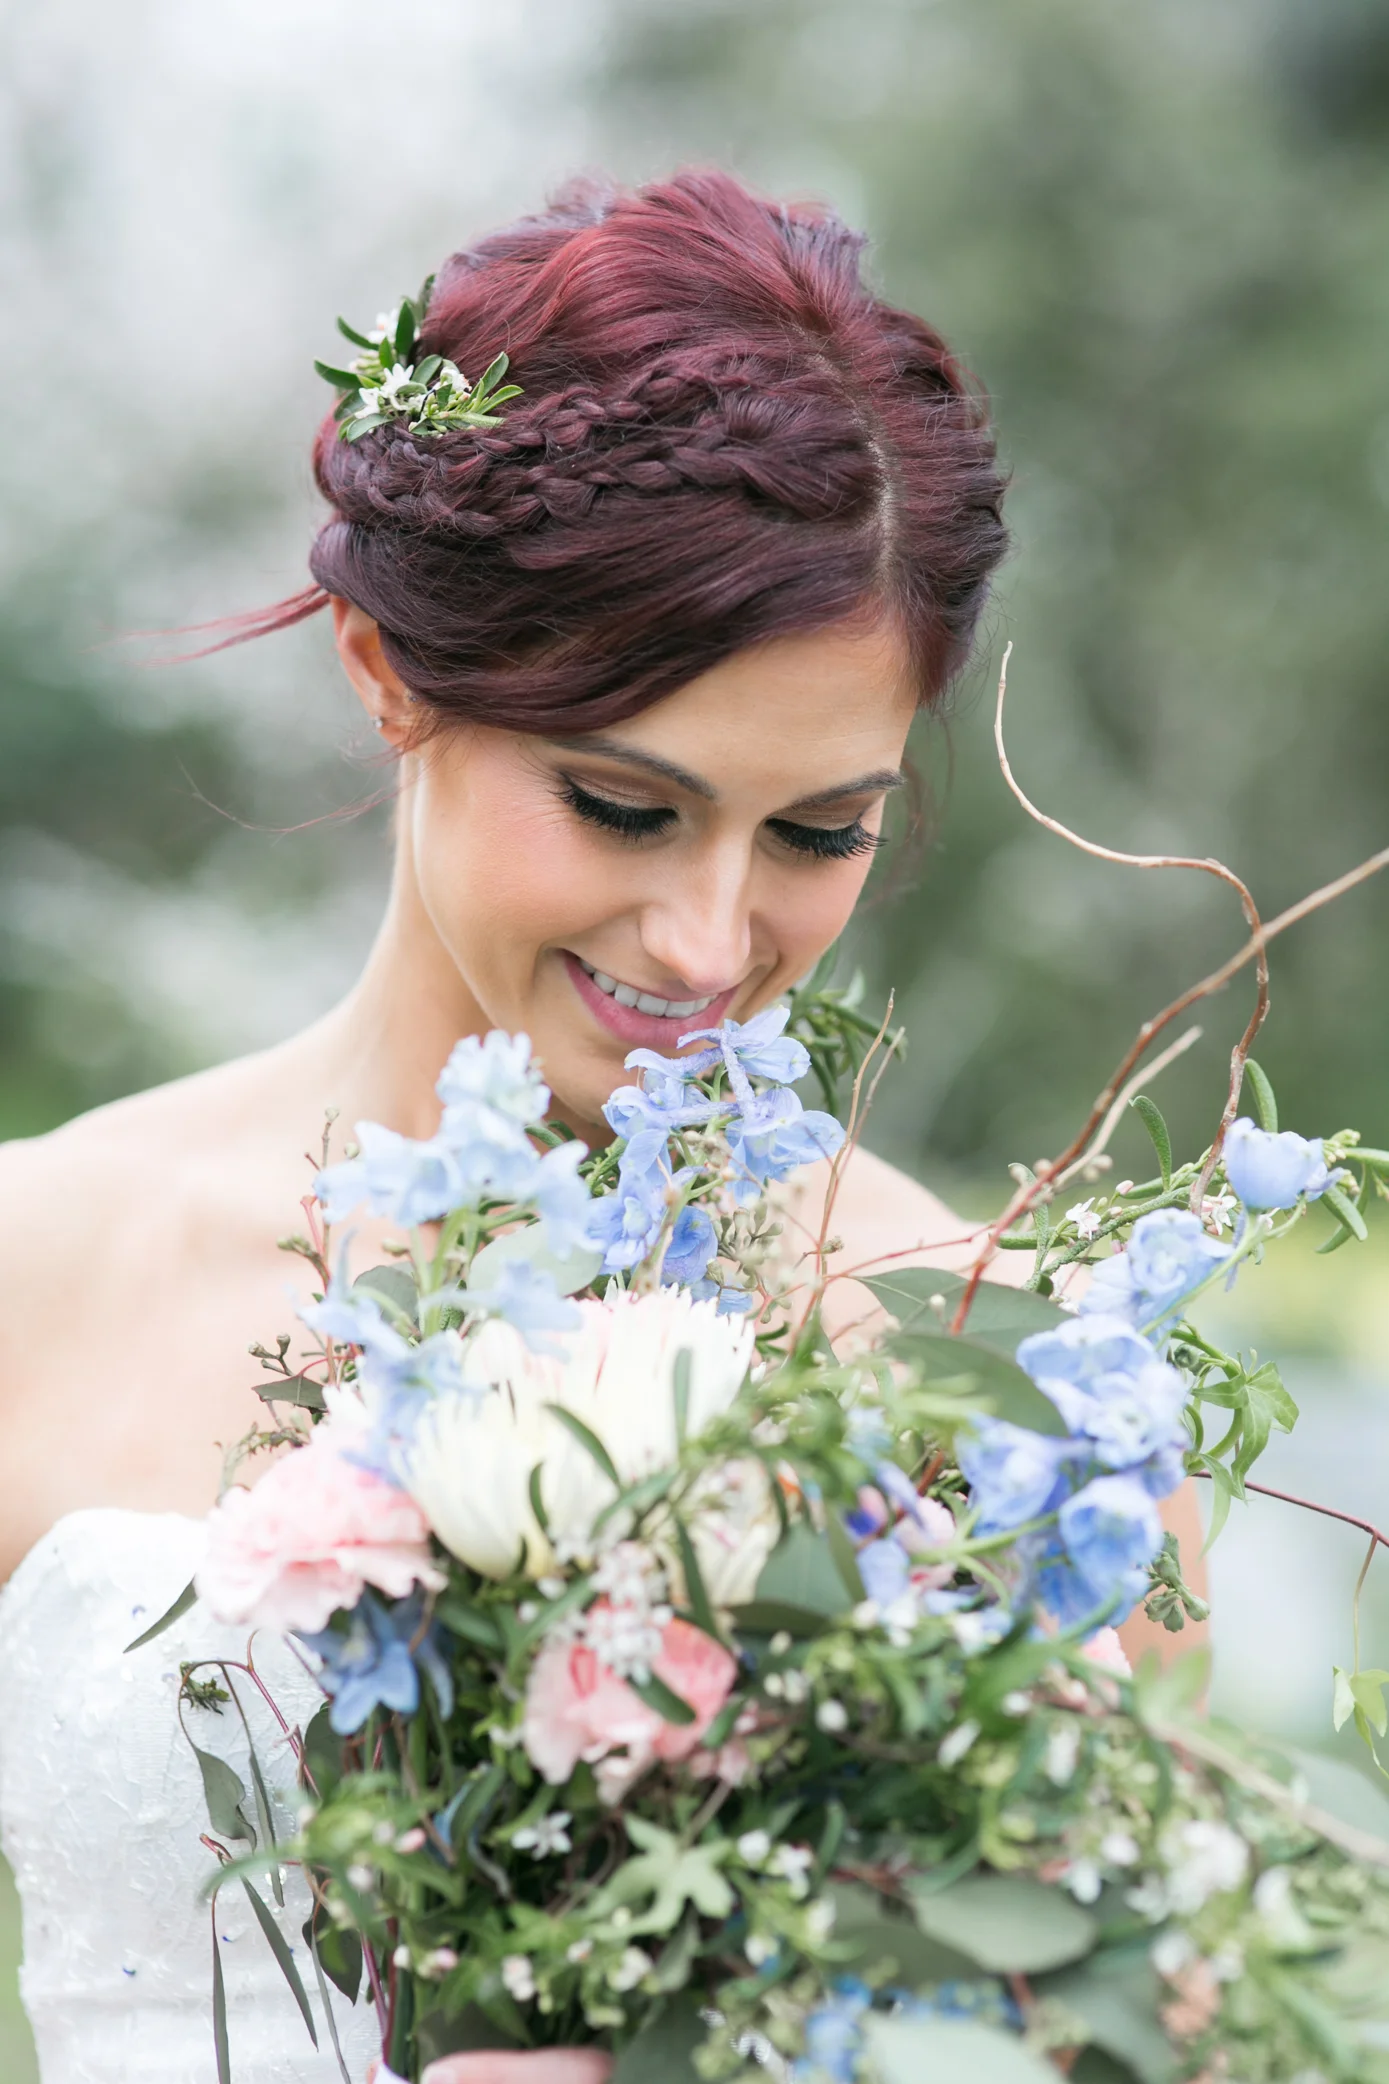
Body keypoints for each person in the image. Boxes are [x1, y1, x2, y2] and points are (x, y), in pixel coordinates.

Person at [0, 170, 1204, 2084]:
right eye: (625, 808)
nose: (711, 941)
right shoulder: (36, 1272)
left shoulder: (1019, 1383)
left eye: (819, 832)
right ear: (385, 672)